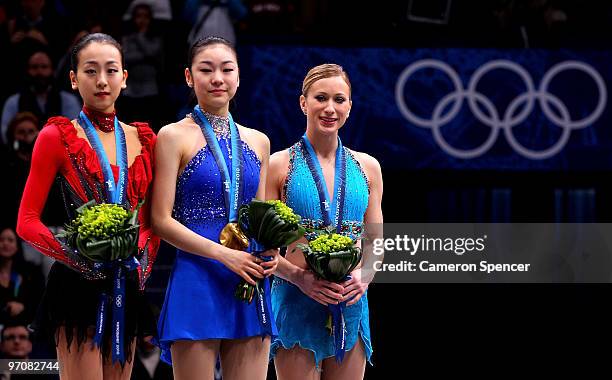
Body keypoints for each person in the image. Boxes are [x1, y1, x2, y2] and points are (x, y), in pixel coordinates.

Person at [16, 33, 160, 379]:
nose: (101, 81)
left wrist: (141, 262)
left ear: (125, 78)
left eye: (111, 71)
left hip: (126, 282)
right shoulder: (56, 137)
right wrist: (78, 258)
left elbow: (152, 221)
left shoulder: (144, 140)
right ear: (73, 78)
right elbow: (26, 221)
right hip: (76, 287)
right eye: (90, 71)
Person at [152, 36, 277, 380]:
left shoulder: (259, 141)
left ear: (238, 77)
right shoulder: (172, 136)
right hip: (197, 274)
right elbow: (160, 220)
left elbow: (263, 217)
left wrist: (273, 249)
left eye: (227, 69)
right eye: (206, 70)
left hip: (249, 275)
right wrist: (224, 255)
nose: (217, 78)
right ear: (189, 78)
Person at [266, 63, 383, 380]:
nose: (330, 108)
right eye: (321, 98)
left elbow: (377, 242)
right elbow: (260, 249)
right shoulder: (278, 165)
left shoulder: (368, 167)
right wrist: (300, 278)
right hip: (295, 297)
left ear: (349, 105)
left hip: (351, 300)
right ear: (303, 102)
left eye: (339, 99)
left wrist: (365, 275)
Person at [1, 49, 81, 145]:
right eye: (34, 67)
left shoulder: (68, 100)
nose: (39, 72)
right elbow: (6, 135)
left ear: (52, 70)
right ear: (27, 70)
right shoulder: (14, 102)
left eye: (44, 67)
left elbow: (76, 132)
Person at [0, 227, 45, 327]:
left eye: (10, 240)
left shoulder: (31, 272)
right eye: (1, 240)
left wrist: (23, 307)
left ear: (17, 246)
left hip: (26, 325)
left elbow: (40, 300)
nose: (5, 243)